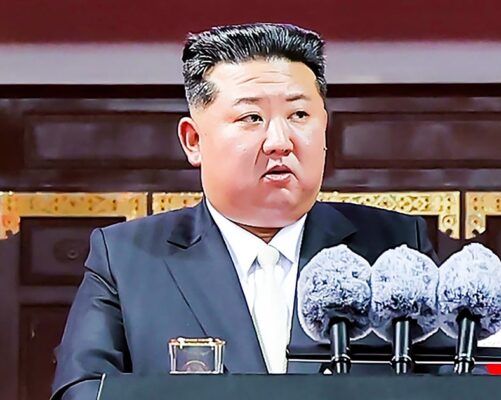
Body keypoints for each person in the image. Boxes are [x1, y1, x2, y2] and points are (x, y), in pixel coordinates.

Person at [51, 23, 438, 400]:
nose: (279, 141)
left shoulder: (395, 250)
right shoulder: (126, 258)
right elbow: (83, 390)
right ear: (193, 140)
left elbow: (456, 382)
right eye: (251, 118)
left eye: (299, 116)